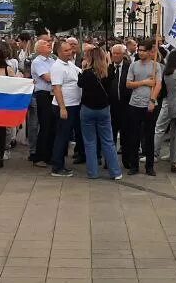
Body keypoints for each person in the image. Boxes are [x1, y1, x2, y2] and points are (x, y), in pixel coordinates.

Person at [78, 46, 122, 180]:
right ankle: (115, 172)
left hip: (87, 109)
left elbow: (80, 84)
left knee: (90, 141)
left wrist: (84, 67)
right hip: (104, 109)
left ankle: (93, 172)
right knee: (108, 141)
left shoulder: (86, 73)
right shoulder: (109, 72)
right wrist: (108, 61)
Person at [122, 38, 162, 176]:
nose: (141, 53)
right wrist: (143, 82)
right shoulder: (134, 65)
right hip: (135, 103)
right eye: (139, 50)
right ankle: (134, 165)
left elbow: (158, 85)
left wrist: (152, 100)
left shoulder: (156, 66)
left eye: (144, 51)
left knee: (149, 136)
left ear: (150, 52)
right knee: (134, 135)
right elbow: (128, 84)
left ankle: (149, 166)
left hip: (149, 104)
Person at [49, 37, 81, 177]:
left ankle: (60, 163)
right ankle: (57, 166)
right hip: (65, 106)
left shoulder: (70, 64)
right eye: (66, 50)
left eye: (70, 49)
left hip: (73, 104)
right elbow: (56, 88)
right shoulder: (57, 67)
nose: (70, 52)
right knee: (61, 136)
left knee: (66, 136)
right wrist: (62, 107)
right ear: (59, 52)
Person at [29, 37, 56, 166]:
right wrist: (59, 76)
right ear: (39, 48)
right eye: (45, 44)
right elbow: (47, 77)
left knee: (52, 125)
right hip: (43, 94)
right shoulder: (37, 61)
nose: (49, 45)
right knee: (44, 125)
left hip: (53, 94)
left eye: (49, 43)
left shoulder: (52, 61)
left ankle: (49, 154)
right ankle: (39, 156)